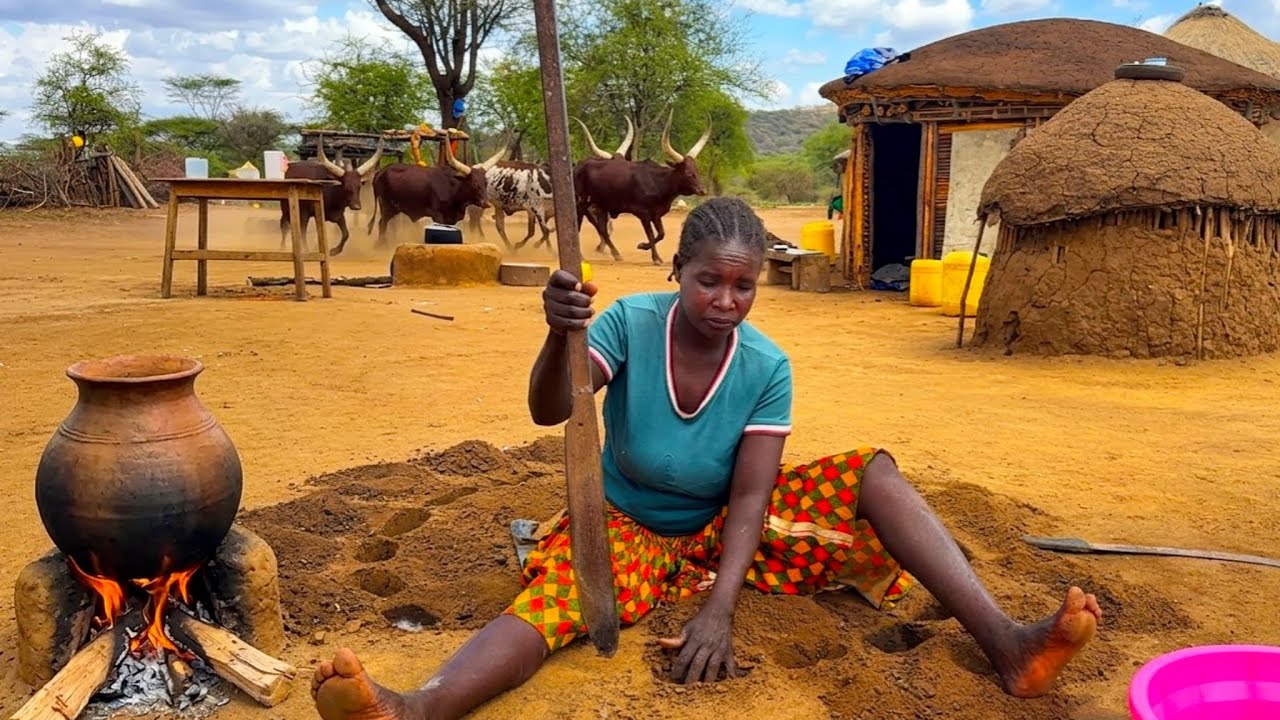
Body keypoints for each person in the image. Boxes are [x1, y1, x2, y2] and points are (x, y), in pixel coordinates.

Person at [310, 198, 1102, 720]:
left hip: (727, 530)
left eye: (743, 286)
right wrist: (560, 334)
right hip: (629, 529)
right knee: (561, 605)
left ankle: (1008, 644)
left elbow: (755, 499)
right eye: (708, 281)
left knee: (873, 474)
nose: (726, 301)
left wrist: (719, 610)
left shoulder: (766, 366)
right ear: (676, 273)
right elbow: (552, 410)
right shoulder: (624, 325)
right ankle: (419, 708)